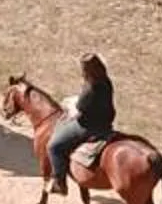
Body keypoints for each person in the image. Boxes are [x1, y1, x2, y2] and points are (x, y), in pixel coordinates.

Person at [41, 53, 115, 192]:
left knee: (53, 146)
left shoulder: (90, 87)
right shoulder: (106, 81)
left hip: (88, 126)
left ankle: (59, 182)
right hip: (106, 123)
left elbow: (80, 108)